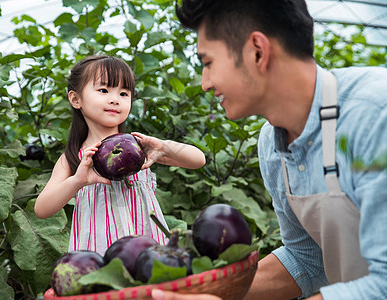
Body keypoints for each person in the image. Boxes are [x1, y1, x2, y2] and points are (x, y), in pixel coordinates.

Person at [150, 0, 387, 299]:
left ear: (257, 51)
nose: (205, 83)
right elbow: (307, 260)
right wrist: (203, 290)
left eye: (208, 62)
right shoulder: (272, 145)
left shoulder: (376, 114)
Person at [34, 55, 206, 256]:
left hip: (147, 248)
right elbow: (42, 208)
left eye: (124, 93)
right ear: (76, 99)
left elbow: (198, 160)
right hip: (100, 252)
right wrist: (78, 181)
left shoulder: (138, 147)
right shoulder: (75, 157)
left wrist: (164, 147)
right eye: (104, 90)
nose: (115, 99)